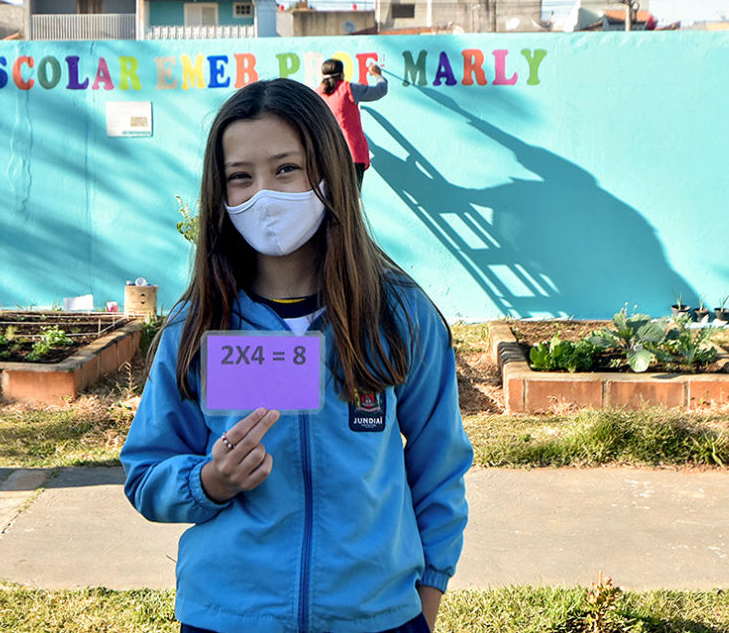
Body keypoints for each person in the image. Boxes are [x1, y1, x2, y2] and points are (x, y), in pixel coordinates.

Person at [121, 78, 472, 633]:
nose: (264, 194)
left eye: (286, 169)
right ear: (223, 193)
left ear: (328, 170)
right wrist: (209, 481)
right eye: (241, 177)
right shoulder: (198, 325)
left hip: (377, 617)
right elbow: (145, 472)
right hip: (228, 617)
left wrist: (425, 598)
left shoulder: (397, 315)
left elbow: (440, 469)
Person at [318, 57, 388, 189]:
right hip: (353, 153)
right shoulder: (349, 89)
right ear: (342, 74)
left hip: (329, 155)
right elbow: (380, 91)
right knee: (353, 197)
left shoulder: (317, 94)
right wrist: (378, 75)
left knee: (335, 198)